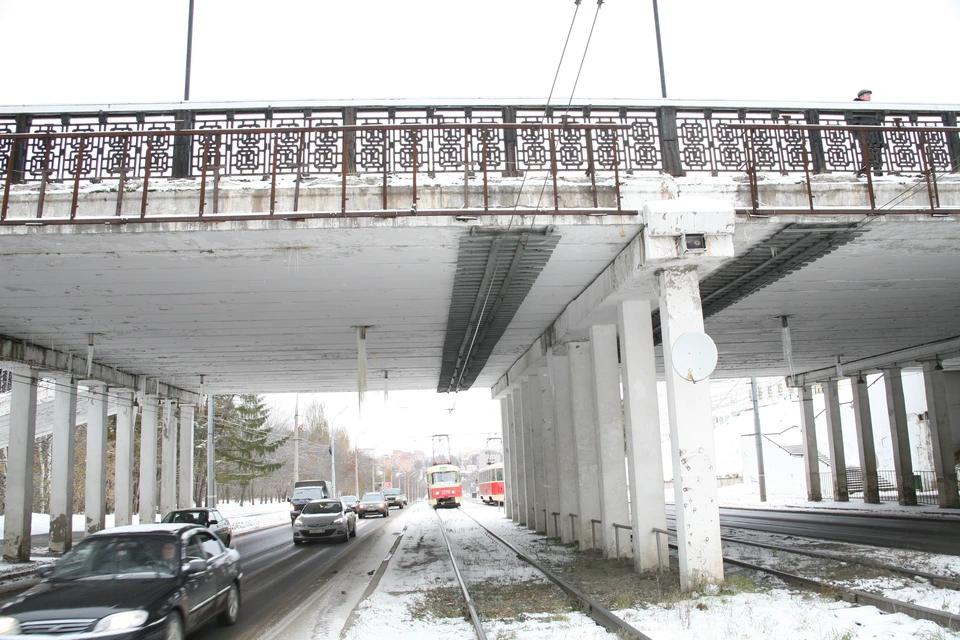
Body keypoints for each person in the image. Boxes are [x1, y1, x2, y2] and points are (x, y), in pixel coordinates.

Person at [850, 89, 884, 175]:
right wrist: (858, 135)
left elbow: (878, 122)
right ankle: (864, 173)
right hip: (865, 135)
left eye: (869, 95)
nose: (869, 96)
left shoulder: (871, 107)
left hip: (875, 135)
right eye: (867, 95)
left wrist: (881, 138)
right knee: (866, 154)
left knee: (877, 153)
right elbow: (853, 123)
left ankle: (878, 172)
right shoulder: (857, 106)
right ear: (861, 97)